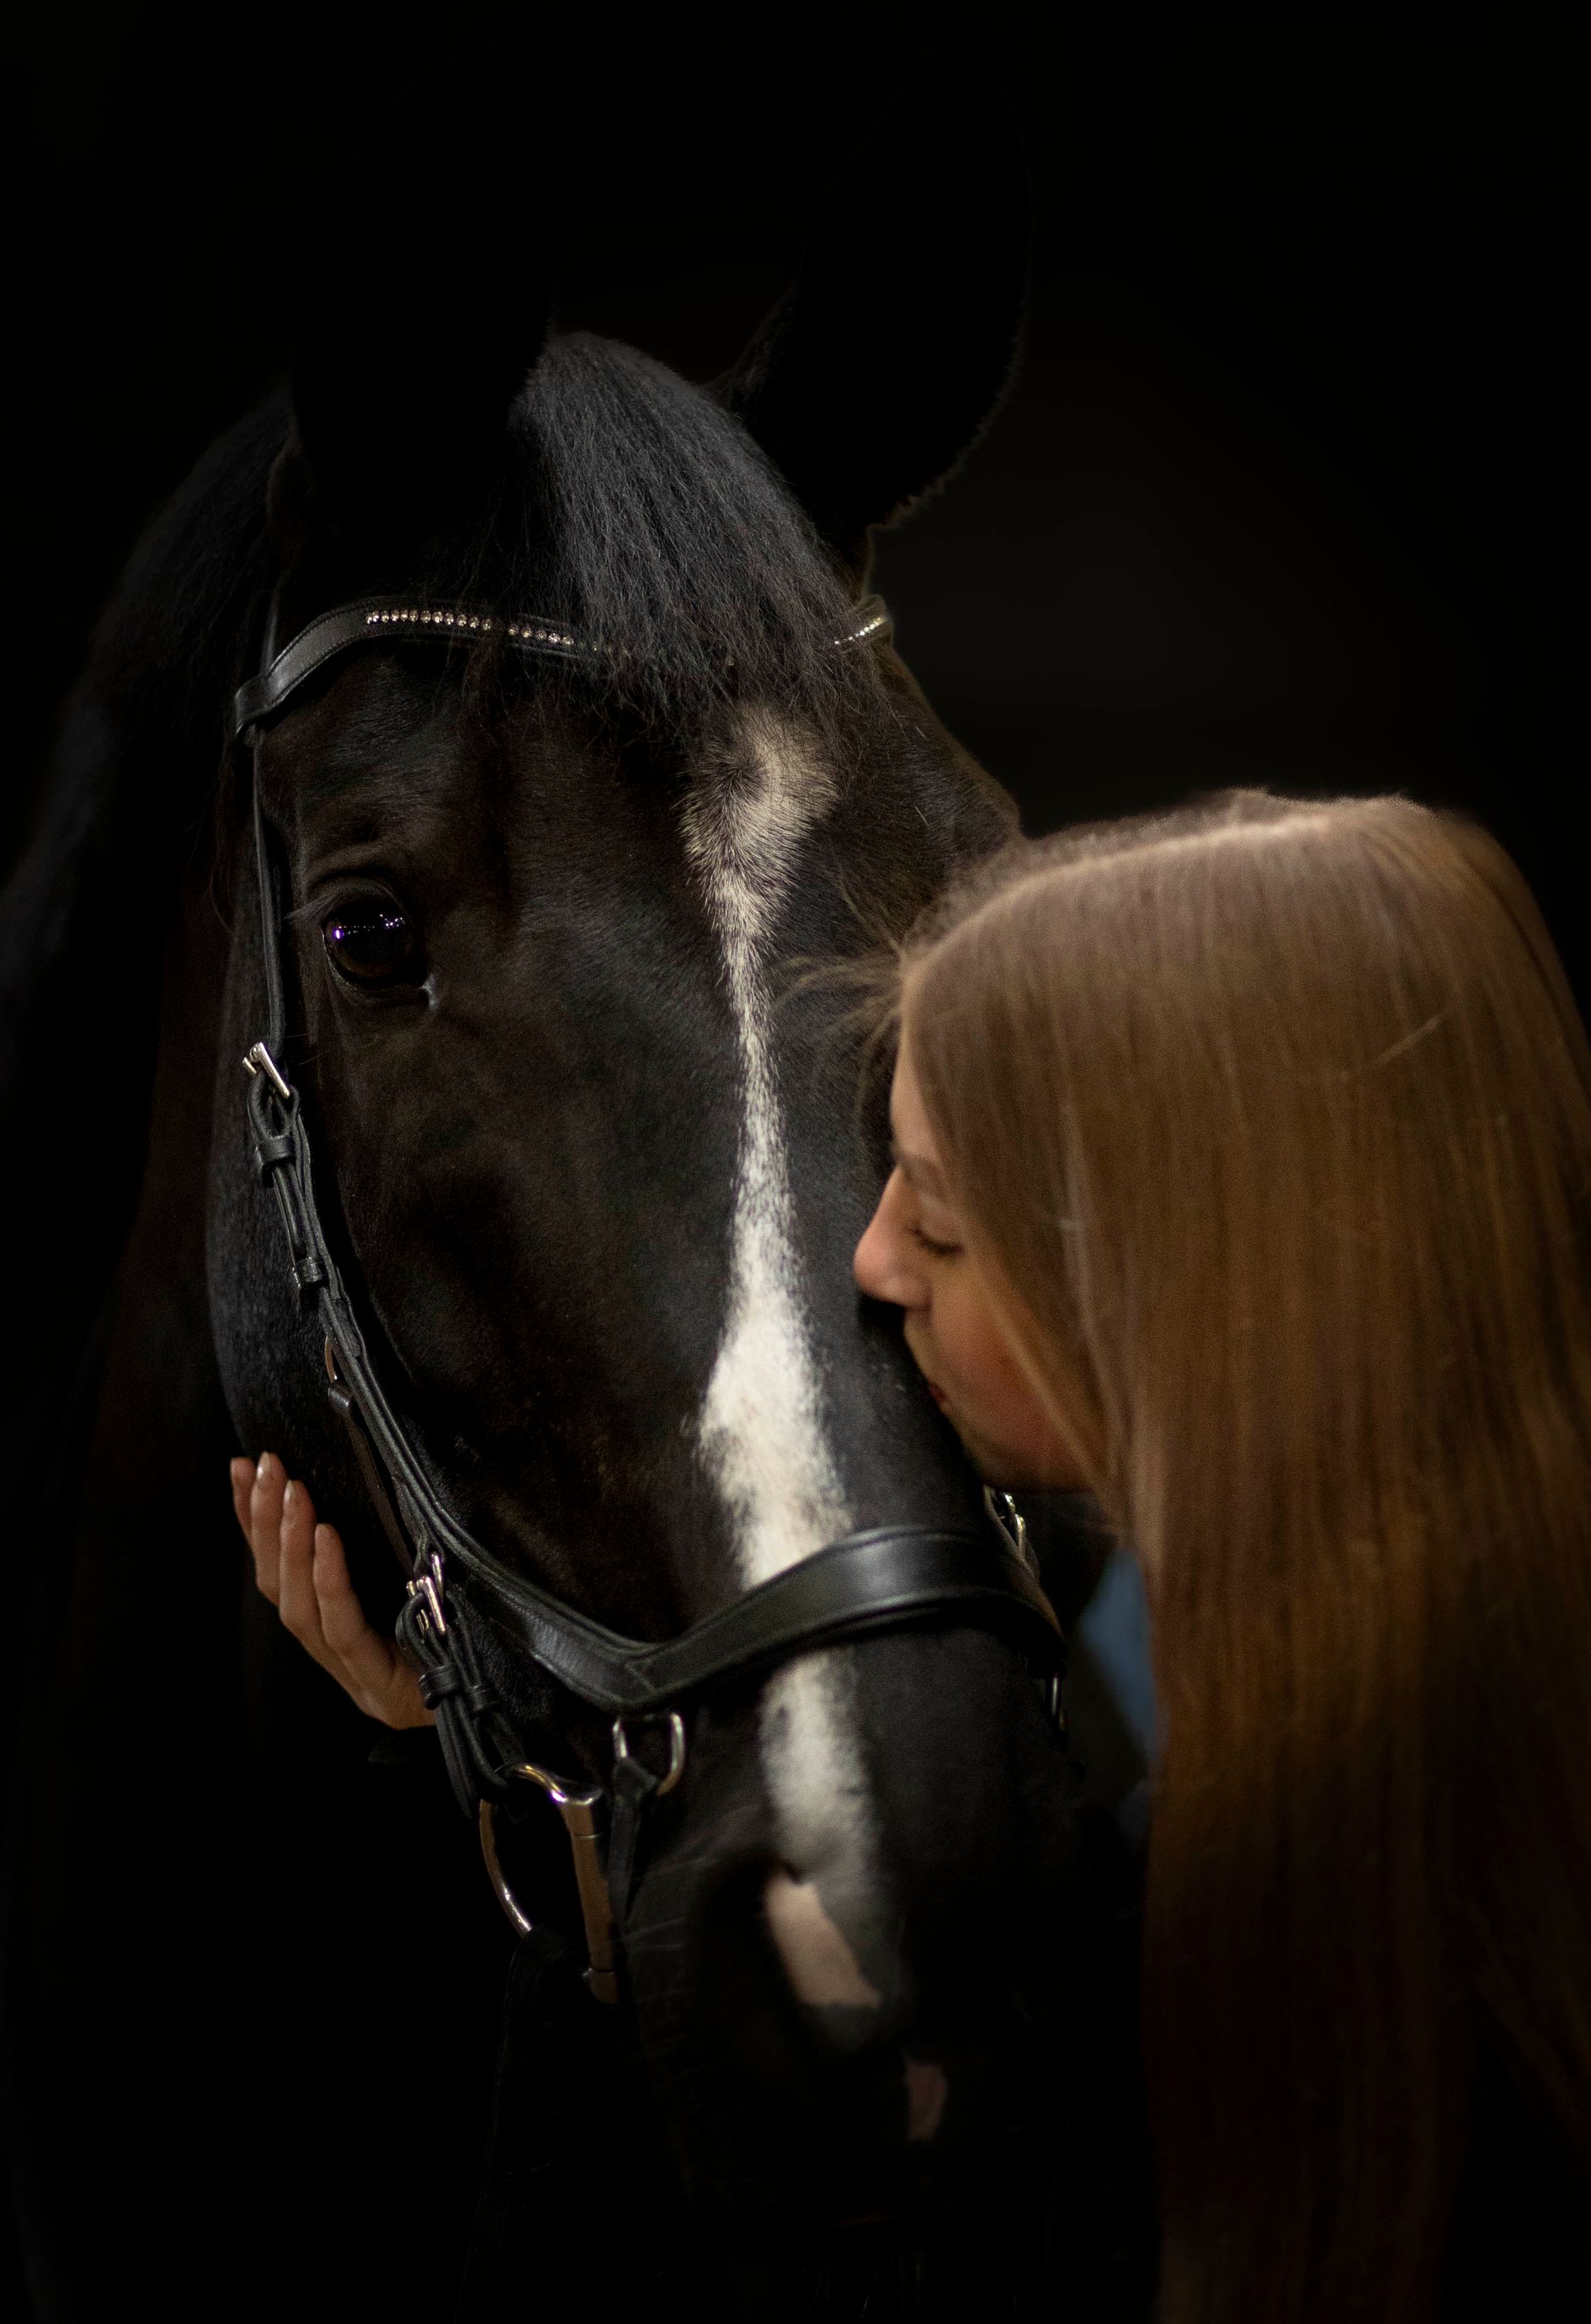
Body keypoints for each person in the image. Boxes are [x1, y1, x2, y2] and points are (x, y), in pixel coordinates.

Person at [237, 787, 1591, 2320]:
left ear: (1184, 1279)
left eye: (940, 1223)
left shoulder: (1229, 1969)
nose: (873, 1266)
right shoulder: (1415, 1788)